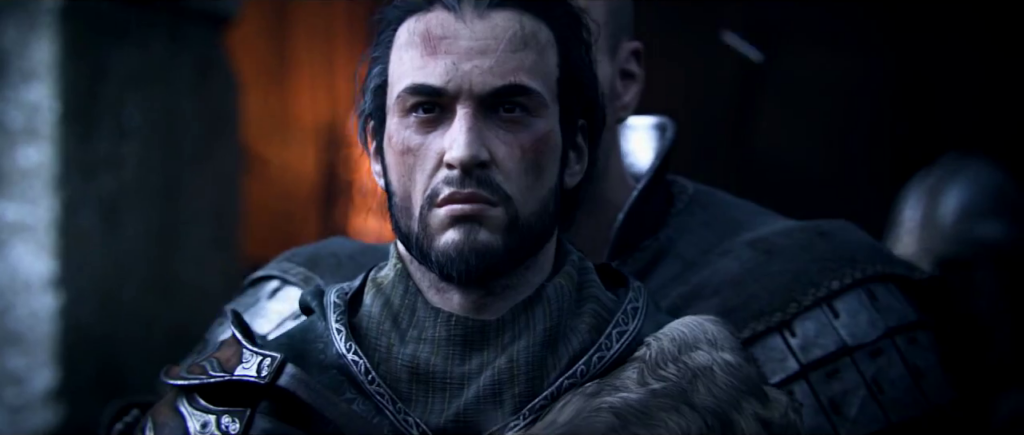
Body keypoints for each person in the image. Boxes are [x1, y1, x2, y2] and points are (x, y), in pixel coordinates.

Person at [107, 1, 956, 434]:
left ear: (604, 95)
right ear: (377, 143)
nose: (463, 151)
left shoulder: (803, 304)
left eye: (510, 103)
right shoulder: (287, 323)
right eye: (427, 108)